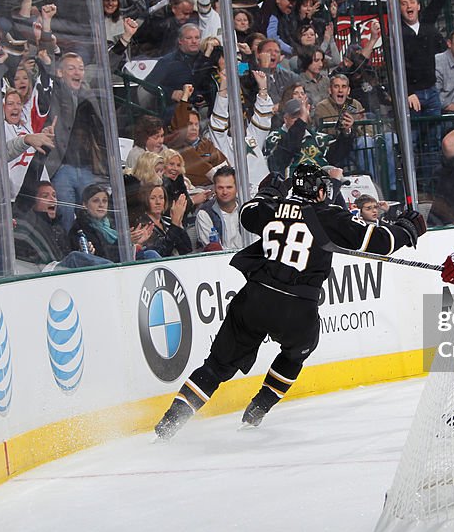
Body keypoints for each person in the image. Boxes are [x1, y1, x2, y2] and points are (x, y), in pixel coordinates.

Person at [152, 163, 426, 439]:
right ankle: (258, 409)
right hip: (297, 306)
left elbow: (248, 213)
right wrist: (408, 227)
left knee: (216, 366)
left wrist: (269, 191)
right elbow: (380, 242)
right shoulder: (329, 215)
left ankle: (168, 425)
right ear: (319, 191)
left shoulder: (271, 209)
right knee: (297, 351)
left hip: (255, 298)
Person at [195, 166, 243, 251]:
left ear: (237, 188)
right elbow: (213, 250)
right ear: (214, 189)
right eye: (220, 188)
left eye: (229, 187)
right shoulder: (204, 214)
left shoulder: (246, 209)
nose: (225, 192)